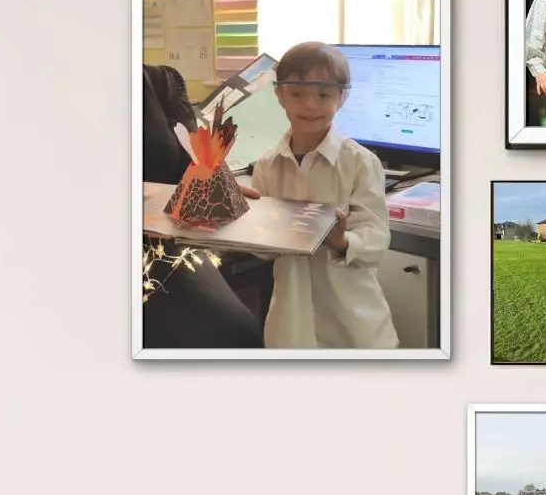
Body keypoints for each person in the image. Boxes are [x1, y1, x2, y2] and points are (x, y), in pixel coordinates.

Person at [249, 42, 399, 348]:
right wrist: (244, 218)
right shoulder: (267, 166)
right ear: (279, 95)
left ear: (342, 97)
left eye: (323, 95)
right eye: (297, 94)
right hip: (292, 325)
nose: (310, 105)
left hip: (354, 325)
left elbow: (376, 240)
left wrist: (342, 242)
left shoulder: (360, 163)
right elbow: (263, 251)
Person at [138, 64, 262, 349]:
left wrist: (210, 182)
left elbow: (183, 163)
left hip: (155, 244)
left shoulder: (159, 83)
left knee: (231, 332)